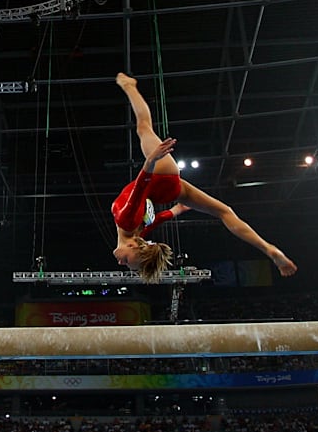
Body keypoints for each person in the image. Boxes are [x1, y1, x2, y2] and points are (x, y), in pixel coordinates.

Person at [111, 73, 298, 282]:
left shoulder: (135, 233)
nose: (121, 262)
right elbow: (140, 187)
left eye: (126, 264)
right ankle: (129, 86)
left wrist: (176, 209)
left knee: (224, 212)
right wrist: (152, 161)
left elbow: (154, 219)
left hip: (168, 189)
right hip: (160, 175)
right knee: (143, 126)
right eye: (127, 261)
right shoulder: (126, 222)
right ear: (133, 245)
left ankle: (268, 248)